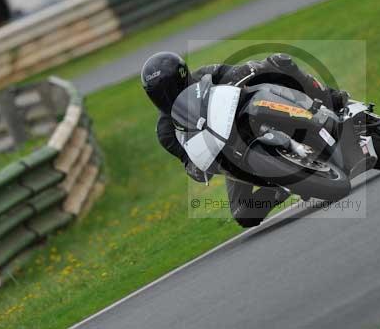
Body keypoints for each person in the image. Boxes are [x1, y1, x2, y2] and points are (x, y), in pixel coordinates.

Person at [142, 51, 348, 228]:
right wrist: (196, 168)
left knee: (279, 62)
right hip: (228, 153)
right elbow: (187, 161)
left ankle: (331, 98)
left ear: (183, 77)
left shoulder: (204, 75)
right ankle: (280, 189)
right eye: (160, 94)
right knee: (243, 213)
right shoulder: (165, 131)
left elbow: (235, 71)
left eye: (171, 88)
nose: (168, 98)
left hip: (247, 112)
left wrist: (250, 70)